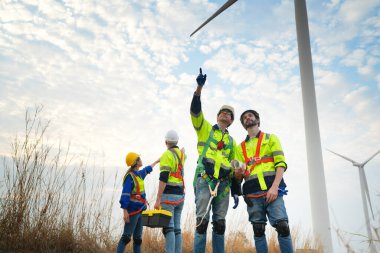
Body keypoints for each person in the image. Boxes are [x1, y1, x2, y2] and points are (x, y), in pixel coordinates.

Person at [190, 68, 239, 253]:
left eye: (229, 114)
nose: (225, 114)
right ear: (218, 115)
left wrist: (236, 188)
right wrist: (198, 89)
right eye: (223, 112)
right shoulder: (205, 129)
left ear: (232, 120)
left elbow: (235, 164)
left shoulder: (232, 142)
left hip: (224, 185)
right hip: (204, 180)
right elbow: (195, 112)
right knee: (201, 223)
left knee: (220, 224)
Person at [234, 109, 294, 253]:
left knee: (282, 226)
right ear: (243, 124)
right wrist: (238, 172)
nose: (247, 118)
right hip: (252, 194)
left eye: (250, 115)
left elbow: (281, 164)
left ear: (257, 120)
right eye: (244, 118)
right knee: (258, 229)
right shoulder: (239, 147)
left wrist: (274, 187)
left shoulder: (271, 138)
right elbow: (238, 178)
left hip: (272, 191)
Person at [116, 152, 159, 253]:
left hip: (141, 210)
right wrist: (125, 211)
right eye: (139, 158)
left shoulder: (139, 174)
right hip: (133, 211)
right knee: (126, 237)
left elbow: (147, 169)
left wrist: (157, 161)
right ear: (136, 162)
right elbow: (125, 194)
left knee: (138, 239)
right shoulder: (130, 177)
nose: (141, 159)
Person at [154, 130, 186, 253]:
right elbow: (182, 156)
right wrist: (182, 151)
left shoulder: (166, 155)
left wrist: (157, 199)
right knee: (177, 228)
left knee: (169, 228)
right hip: (180, 196)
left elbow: (163, 178)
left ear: (166, 141)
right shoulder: (182, 155)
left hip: (168, 196)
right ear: (177, 141)